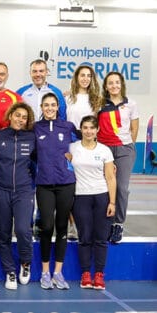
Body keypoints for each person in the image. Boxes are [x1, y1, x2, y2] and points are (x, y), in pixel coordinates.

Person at [35, 93, 78, 290]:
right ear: (41, 107)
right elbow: (32, 153)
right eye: (46, 105)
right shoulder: (35, 128)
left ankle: (58, 273)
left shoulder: (68, 127)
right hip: (44, 184)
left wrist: (73, 157)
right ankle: (45, 272)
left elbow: (84, 142)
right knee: (46, 225)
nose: (50, 108)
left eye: (53, 105)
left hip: (66, 183)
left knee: (62, 226)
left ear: (58, 107)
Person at [0, 102, 36, 290]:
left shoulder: (31, 138)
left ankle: (25, 264)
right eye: (17, 115)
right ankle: (10, 270)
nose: (20, 119)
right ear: (10, 115)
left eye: (24, 117)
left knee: (23, 230)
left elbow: (38, 162)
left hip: (24, 191)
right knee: (3, 233)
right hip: (1, 190)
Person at [70, 116, 116, 290]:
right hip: (81, 197)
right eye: (85, 127)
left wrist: (112, 202)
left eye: (92, 128)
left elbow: (110, 177)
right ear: (81, 129)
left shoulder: (105, 150)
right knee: (85, 237)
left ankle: (99, 274)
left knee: (101, 238)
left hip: (101, 196)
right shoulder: (72, 148)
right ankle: (85, 274)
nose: (88, 131)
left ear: (97, 130)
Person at [97, 71, 139, 244]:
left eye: (117, 82)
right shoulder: (99, 104)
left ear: (121, 84)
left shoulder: (131, 104)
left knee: (121, 188)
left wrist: (128, 147)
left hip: (124, 150)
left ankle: (118, 223)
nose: (114, 86)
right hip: (103, 149)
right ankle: (104, 223)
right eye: (110, 83)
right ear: (106, 86)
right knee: (103, 188)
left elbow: (134, 129)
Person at [64, 64, 102, 240]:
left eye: (89, 75)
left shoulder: (97, 100)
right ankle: (72, 226)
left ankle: (89, 225)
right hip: (72, 143)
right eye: (82, 75)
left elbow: (99, 126)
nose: (85, 78)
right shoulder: (68, 98)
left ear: (92, 79)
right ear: (76, 78)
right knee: (72, 186)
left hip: (90, 144)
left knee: (87, 186)